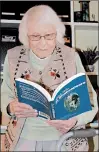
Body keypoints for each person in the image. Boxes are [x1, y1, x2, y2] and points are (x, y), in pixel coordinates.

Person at [1, 5, 98, 151]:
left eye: (49, 36)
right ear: (25, 35)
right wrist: (10, 107)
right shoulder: (13, 57)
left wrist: (75, 120)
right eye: (35, 36)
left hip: (64, 139)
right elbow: (5, 94)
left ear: (57, 33)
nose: (42, 43)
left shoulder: (71, 57)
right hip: (22, 139)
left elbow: (90, 100)